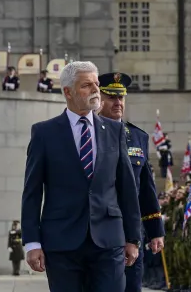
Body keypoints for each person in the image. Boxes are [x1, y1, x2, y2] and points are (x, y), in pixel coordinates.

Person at [20, 60, 143, 291]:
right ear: (68, 91)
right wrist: (32, 242)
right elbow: (32, 192)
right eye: (87, 85)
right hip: (62, 242)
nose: (96, 89)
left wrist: (133, 238)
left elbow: (127, 189)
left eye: (96, 84)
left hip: (109, 240)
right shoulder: (44, 133)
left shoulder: (115, 130)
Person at [96, 72, 166, 292]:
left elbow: (145, 187)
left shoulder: (138, 137)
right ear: (99, 98)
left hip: (130, 230)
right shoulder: (89, 132)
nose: (118, 103)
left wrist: (155, 230)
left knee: (131, 286)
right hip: (99, 227)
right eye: (111, 97)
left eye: (121, 98)